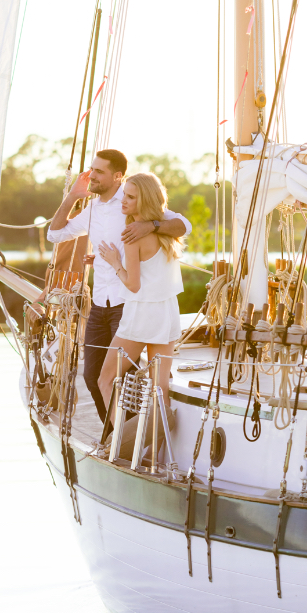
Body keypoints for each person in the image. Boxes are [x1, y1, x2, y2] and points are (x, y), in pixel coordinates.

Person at [47, 150, 191, 423]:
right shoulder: (92, 209)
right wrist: (72, 197)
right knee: (93, 376)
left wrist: (151, 226)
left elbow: (184, 225)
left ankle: (125, 442)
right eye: (92, 169)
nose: (91, 176)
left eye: (98, 171)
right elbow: (55, 234)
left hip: (128, 303)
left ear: (117, 176)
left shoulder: (131, 204)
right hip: (101, 303)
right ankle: (117, 436)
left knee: (122, 379)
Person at [97, 172, 183, 425]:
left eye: (131, 197)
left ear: (143, 201)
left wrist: (115, 262)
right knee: (160, 388)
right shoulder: (167, 233)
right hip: (167, 313)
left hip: (141, 314)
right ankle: (158, 451)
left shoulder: (132, 235)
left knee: (106, 379)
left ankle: (120, 445)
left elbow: (133, 284)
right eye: (124, 194)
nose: (123, 201)